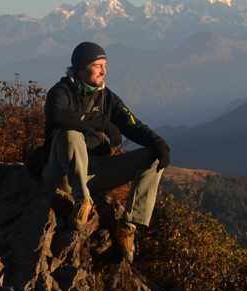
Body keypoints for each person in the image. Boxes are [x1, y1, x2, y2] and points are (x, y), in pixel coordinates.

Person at [39, 41, 171, 262]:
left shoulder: (106, 97)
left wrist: (159, 143)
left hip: (94, 172)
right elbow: (58, 116)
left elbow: (132, 124)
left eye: (105, 65)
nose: (104, 71)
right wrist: (101, 122)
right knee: (69, 133)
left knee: (153, 156)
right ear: (81, 68)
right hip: (62, 175)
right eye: (97, 65)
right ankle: (82, 201)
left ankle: (129, 225)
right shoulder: (61, 92)